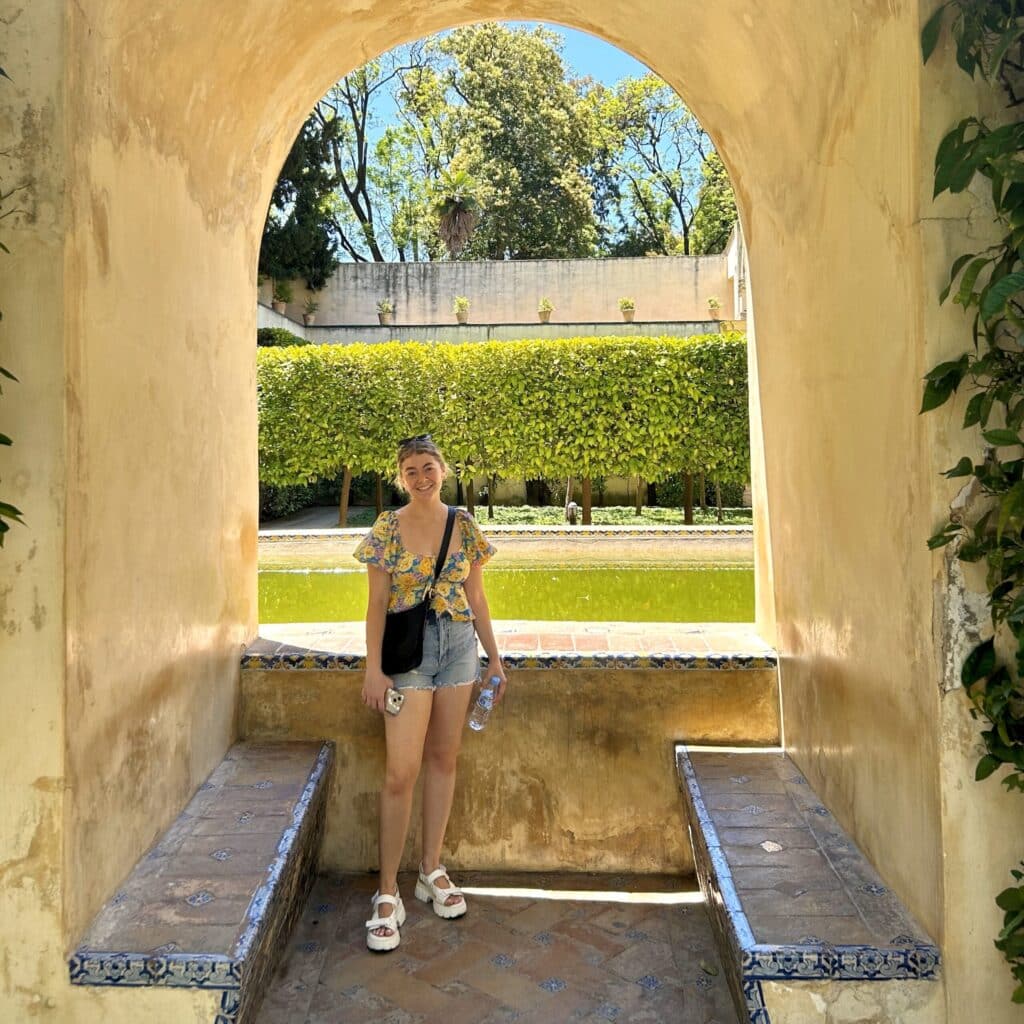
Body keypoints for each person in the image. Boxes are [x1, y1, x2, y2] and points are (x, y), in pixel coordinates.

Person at [353, 435, 507, 952]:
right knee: (402, 772)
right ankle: (387, 891)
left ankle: (430, 869)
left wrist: (495, 658)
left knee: (444, 758)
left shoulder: (464, 525)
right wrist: (373, 669)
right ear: (401, 478)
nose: (421, 478)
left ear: (443, 469)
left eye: (428, 468)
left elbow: (477, 595)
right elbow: (376, 604)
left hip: (459, 648)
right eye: (411, 471)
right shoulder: (387, 528)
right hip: (407, 656)